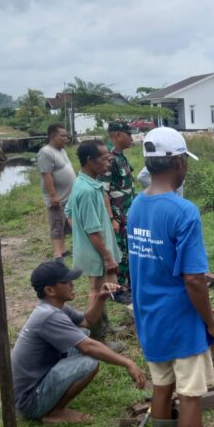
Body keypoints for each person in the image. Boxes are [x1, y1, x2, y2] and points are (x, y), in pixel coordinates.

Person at [128, 127, 214, 427]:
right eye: (186, 159)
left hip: (149, 315)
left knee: (162, 386)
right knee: (190, 396)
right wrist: (212, 324)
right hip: (181, 320)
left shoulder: (135, 207)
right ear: (179, 163)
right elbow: (194, 280)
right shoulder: (184, 212)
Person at [11, 260, 147, 423]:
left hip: (34, 384)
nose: (72, 284)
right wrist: (128, 363)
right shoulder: (49, 315)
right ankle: (55, 412)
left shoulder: (55, 307)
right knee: (89, 361)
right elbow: (88, 347)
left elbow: (87, 321)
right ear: (50, 290)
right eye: (66, 281)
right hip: (30, 402)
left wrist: (101, 297)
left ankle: (54, 399)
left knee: (83, 332)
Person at [64, 140, 121, 345]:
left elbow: (69, 211)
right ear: (90, 160)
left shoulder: (83, 183)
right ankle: (97, 337)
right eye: (104, 159)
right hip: (96, 252)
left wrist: (78, 231)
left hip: (91, 248)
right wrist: (107, 256)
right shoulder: (87, 191)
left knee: (101, 289)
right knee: (96, 291)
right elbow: (92, 230)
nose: (108, 163)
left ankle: (104, 325)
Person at [100, 121, 136, 300]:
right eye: (128, 134)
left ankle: (128, 287)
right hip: (117, 215)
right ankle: (119, 291)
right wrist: (112, 218)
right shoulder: (108, 157)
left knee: (128, 251)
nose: (131, 138)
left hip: (126, 213)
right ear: (116, 135)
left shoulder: (120, 156)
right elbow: (103, 190)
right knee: (120, 252)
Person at [37, 124, 75, 259]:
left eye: (66, 135)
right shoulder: (46, 152)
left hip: (68, 196)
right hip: (57, 197)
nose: (66, 138)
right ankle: (58, 254)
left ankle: (64, 250)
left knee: (67, 225)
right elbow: (46, 175)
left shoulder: (61, 150)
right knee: (57, 225)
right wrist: (53, 196)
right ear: (53, 136)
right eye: (63, 136)